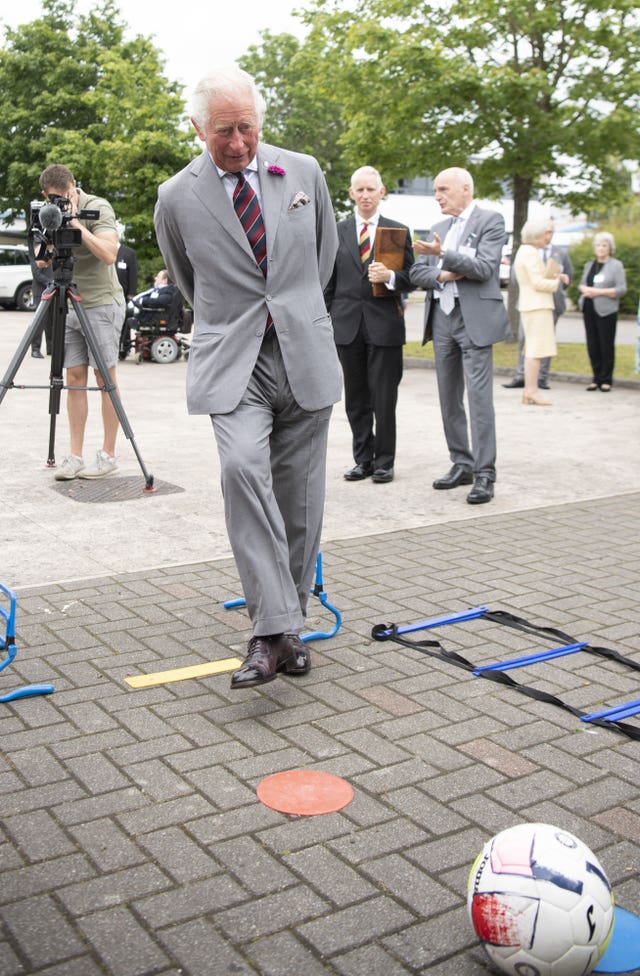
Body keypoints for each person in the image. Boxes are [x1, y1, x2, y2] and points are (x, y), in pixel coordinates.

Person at [154, 64, 341, 691]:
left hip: (303, 354)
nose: (237, 143)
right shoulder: (175, 196)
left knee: (300, 499)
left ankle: (287, 627)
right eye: (222, 132)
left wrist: (294, 314)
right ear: (197, 129)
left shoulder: (304, 171)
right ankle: (269, 630)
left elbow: (322, 258)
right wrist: (237, 322)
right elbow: (187, 278)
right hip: (235, 359)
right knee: (241, 471)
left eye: (246, 128)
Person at [410, 167, 511, 505]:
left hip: (474, 320)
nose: (437, 195)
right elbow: (415, 271)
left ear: (465, 188)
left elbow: (485, 268)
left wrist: (442, 256)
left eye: (442, 189)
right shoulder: (438, 227)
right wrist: (444, 272)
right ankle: (461, 463)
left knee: (479, 399)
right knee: (448, 397)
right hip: (441, 319)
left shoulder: (491, 221)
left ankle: (485, 474)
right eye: (435, 190)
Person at [324, 166, 414, 484]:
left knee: (384, 398)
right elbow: (328, 283)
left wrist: (390, 277)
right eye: (359, 190)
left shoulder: (396, 232)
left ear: (382, 192)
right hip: (347, 325)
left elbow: (411, 279)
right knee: (356, 398)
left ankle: (384, 462)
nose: (365, 195)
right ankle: (363, 459)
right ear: (351, 193)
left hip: (384, 325)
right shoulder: (336, 231)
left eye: (370, 190)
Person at [37, 164, 126, 480]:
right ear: (45, 196)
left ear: (74, 186)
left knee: (104, 379)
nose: (61, 202)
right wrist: (48, 232)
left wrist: (76, 224)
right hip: (69, 303)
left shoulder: (97, 207)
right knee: (74, 376)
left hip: (101, 302)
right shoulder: (49, 212)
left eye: (65, 196)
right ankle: (74, 456)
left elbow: (109, 253)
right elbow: (40, 260)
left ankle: (108, 454)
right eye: (54, 199)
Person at [502, 218, 572, 390]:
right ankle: (531, 390)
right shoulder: (530, 252)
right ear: (537, 234)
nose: (548, 237)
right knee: (535, 349)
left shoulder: (526, 251)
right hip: (536, 305)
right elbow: (537, 283)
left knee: (534, 349)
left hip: (534, 304)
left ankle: (533, 387)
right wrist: (557, 282)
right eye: (546, 233)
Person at [578, 232, 627, 392]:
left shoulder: (616, 265)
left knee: (606, 345)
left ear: (610, 248)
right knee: (592, 345)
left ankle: (606, 379)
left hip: (607, 311)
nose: (600, 248)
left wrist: (597, 292)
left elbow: (621, 289)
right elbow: (582, 284)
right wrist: (584, 289)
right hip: (589, 308)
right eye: (598, 245)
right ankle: (596, 378)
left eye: (604, 245)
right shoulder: (589, 265)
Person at [29, 254, 54, 358]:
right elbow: (36, 274)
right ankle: (35, 349)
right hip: (41, 292)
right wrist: (51, 283)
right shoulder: (37, 253)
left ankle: (51, 348)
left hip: (53, 291)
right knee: (40, 322)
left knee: (51, 322)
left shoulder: (55, 253)